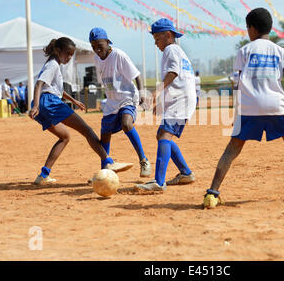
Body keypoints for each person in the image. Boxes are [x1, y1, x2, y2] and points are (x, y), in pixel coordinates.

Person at [203, 8, 284, 209]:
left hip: (250, 107)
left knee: (232, 148)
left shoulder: (244, 51)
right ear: (269, 28)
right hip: (275, 106)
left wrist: (238, 111)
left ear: (251, 29)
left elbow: (239, 82)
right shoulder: (280, 51)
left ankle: (212, 194)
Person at [29, 37, 115, 185]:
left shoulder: (53, 64)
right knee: (87, 130)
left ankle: (43, 174)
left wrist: (73, 101)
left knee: (65, 137)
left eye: (71, 54)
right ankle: (108, 161)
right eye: (67, 53)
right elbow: (39, 85)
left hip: (46, 103)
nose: (69, 57)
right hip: (49, 103)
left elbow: (56, 89)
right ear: (57, 50)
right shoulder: (53, 65)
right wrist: (35, 106)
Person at [135, 18, 196, 192]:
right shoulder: (176, 51)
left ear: (168, 35)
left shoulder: (170, 49)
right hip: (181, 99)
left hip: (181, 100)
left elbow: (173, 73)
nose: (156, 44)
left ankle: (159, 182)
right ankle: (185, 173)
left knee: (164, 137)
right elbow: (177, 78)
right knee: (162, 134)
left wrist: (155, 94)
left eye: (157, 39)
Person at [88, 27, 151, 177]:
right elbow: (104, 81)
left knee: (126, 123)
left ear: (108, 42)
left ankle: (144, 160)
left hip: (127, 97)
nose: (97, 49)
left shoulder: (118, 55)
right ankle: (106, 168)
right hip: (111, 102)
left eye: (99, 45)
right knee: (105, 134)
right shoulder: (96, 59)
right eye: (93, 46)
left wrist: (142, 93)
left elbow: (137, 75)